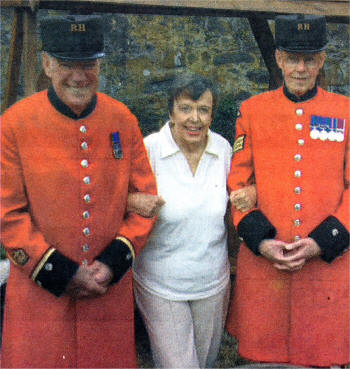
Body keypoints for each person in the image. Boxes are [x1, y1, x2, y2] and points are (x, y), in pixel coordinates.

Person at [0, 15, 157, 368]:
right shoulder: (14, 124)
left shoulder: (122, 119)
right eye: (67, 64)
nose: (79, 75)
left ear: (99, 64)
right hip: (40, 296)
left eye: (88, 64)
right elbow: (7, 215)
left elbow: (145, 202)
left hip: (106, 293)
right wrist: (59, 271)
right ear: (47, 64)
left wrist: (113, 262)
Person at [226, 14, 349, 368]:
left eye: (309, 59)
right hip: (267, 269)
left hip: (325, 268)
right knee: (265, 359)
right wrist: (262, 241)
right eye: (292, 58)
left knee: (324, 357)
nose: (300, 68)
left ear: (322, 60)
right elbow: (238, 184)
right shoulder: (252, 112)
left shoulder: (345, 112)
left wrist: (322, 242)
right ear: (279, 58)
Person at [129, 73, 255, 369]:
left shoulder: (223, 149)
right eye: (185, 108)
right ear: (171, 112)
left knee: (206, 363)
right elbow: (116, 198)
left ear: (212, 113)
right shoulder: (150, 150)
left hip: (212, 282)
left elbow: (241, 191)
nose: (194, 119)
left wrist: (251, 192)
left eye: (203, 110)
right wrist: (133, 201)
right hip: (162, 283)